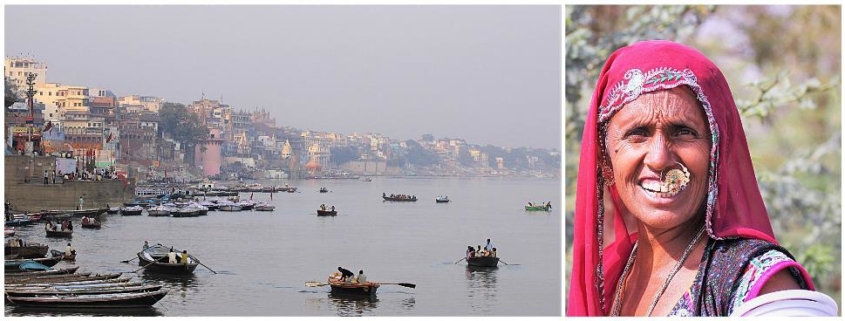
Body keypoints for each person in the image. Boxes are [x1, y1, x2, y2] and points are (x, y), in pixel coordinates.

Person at [567, 40, 832, 316]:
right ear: (606, 161)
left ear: (716, 153)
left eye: (683, 132)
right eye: (638, 133)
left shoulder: (757, 284)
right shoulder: (612, 279)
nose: (659, 158)